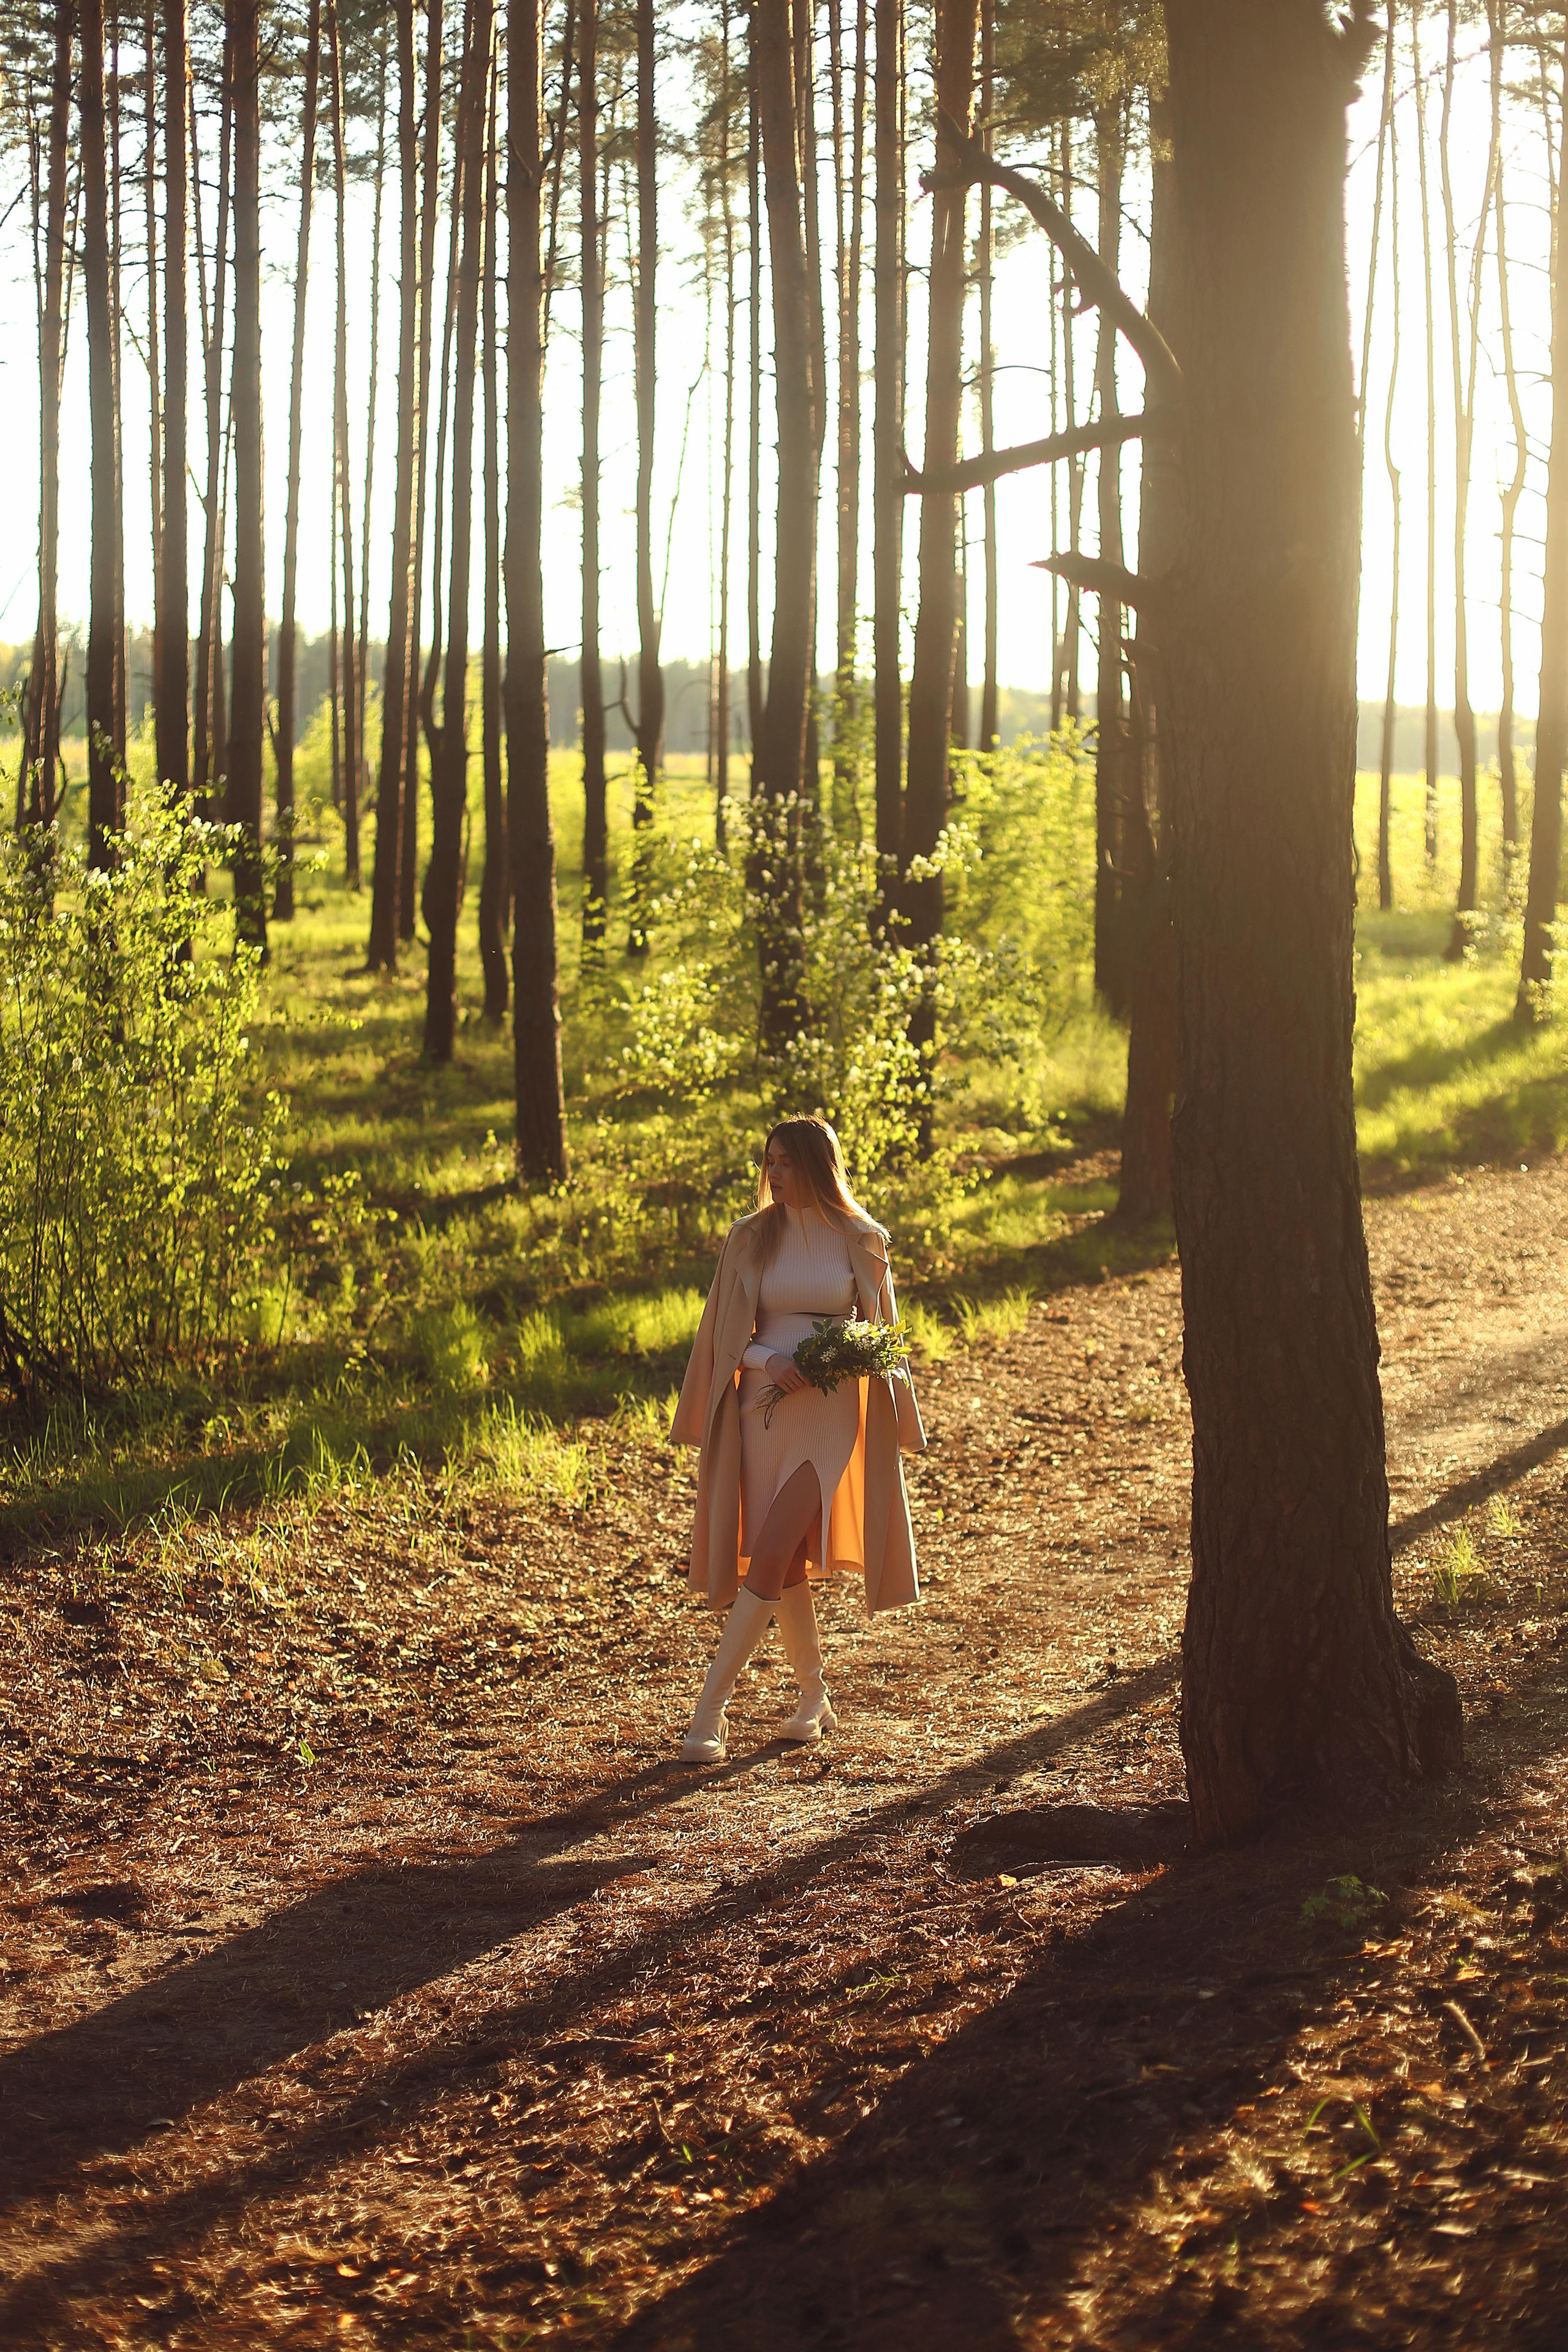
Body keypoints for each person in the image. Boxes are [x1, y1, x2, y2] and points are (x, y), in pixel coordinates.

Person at [669, 1115, 925, 1764]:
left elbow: (884, 1339)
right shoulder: (750, 1237)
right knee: (780, 1562)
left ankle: (709, 1715)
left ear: (817, 1166)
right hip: (762, 1409)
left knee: (772, 1550)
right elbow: (725, 1332)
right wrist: (766, 1360)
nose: (773, 1173)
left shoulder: (862, 1239)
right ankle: (814, 1699)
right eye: (769, 1161)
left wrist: (837, 1357)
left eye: (786, 1162)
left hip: (829, 1413)